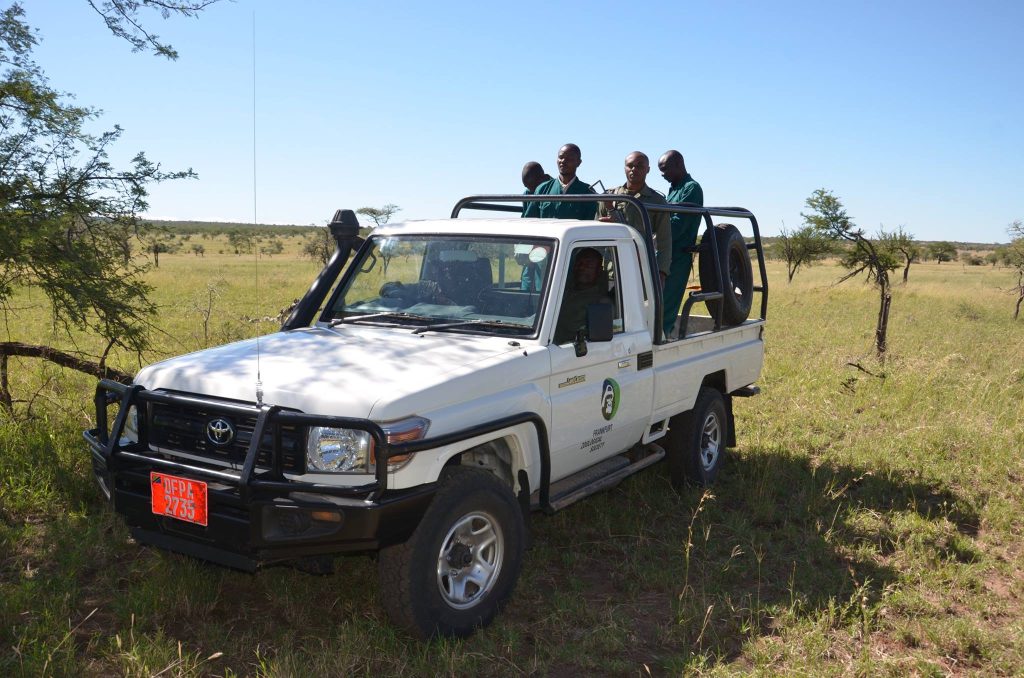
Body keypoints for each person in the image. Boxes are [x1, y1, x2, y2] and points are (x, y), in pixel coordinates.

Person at [598, 151, 672, 283]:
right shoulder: (609, 197)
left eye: (639, 166)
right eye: (630, 165)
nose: (634, 169)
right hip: (610, 270)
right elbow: (594, 236)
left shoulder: (657, 201)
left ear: (647, 169)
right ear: (624, 167)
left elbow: (664, 241)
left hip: (641, 271)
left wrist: (661, 273)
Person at [658, 150, 704, 337]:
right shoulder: (674, 188)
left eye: (665, 169)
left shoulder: (691, 188)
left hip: (678, 255)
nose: (662, 174)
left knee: (666, 303)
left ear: (678, 164)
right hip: (664, 253)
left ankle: (662, 338)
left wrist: (655, 232)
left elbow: (678, 224)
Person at [522, 144, 598, 220]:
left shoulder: (587, 192)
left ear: (579, 162)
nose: (563, 161)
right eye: (561, 157)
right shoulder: (542, 189)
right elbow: (529, 221)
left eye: (569, 158)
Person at [553, 247, 611, 344]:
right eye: (579, 264)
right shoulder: (559, 292)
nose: (582, 268)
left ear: (599, 271)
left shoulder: (600, 303)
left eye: (588, 265)